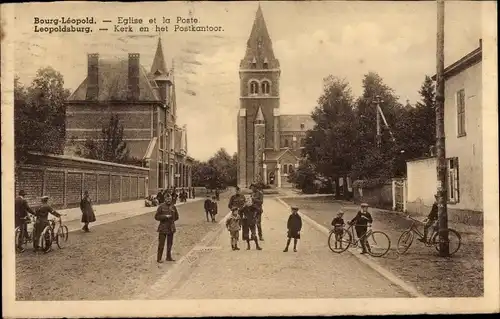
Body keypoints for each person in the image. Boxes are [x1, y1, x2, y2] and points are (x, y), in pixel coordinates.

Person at [155, 194, 179, 263]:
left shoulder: (173, 207)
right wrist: (165, 217)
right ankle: (159, 258)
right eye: (167, 199)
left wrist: (172, 220)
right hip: (163, 228)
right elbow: (156, 217)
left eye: (170, 199)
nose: (169, 200)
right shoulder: (161, 206)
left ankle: (168, 257)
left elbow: (177, 217)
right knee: (161, 244)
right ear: (165, 199)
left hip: (171, 228)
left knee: (170, 244)